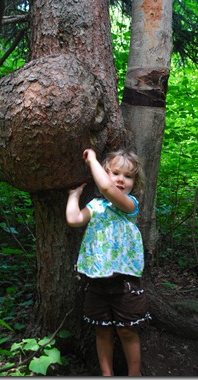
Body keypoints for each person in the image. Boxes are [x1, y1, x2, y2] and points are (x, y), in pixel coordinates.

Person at [66, 148, 151, 376]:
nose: (121, 179)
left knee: (127, 331)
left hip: (125, 281)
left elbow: (106, 188)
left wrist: (92, 159)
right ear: (105, 173)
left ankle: (135, 374)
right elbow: (74, 219)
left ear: (135, 182)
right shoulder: (95, 206)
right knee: (102, 331)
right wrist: (74, 196)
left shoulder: (129, 205)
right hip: (96, 280)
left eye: (128, 176)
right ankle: (107, 374)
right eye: (115, 173)